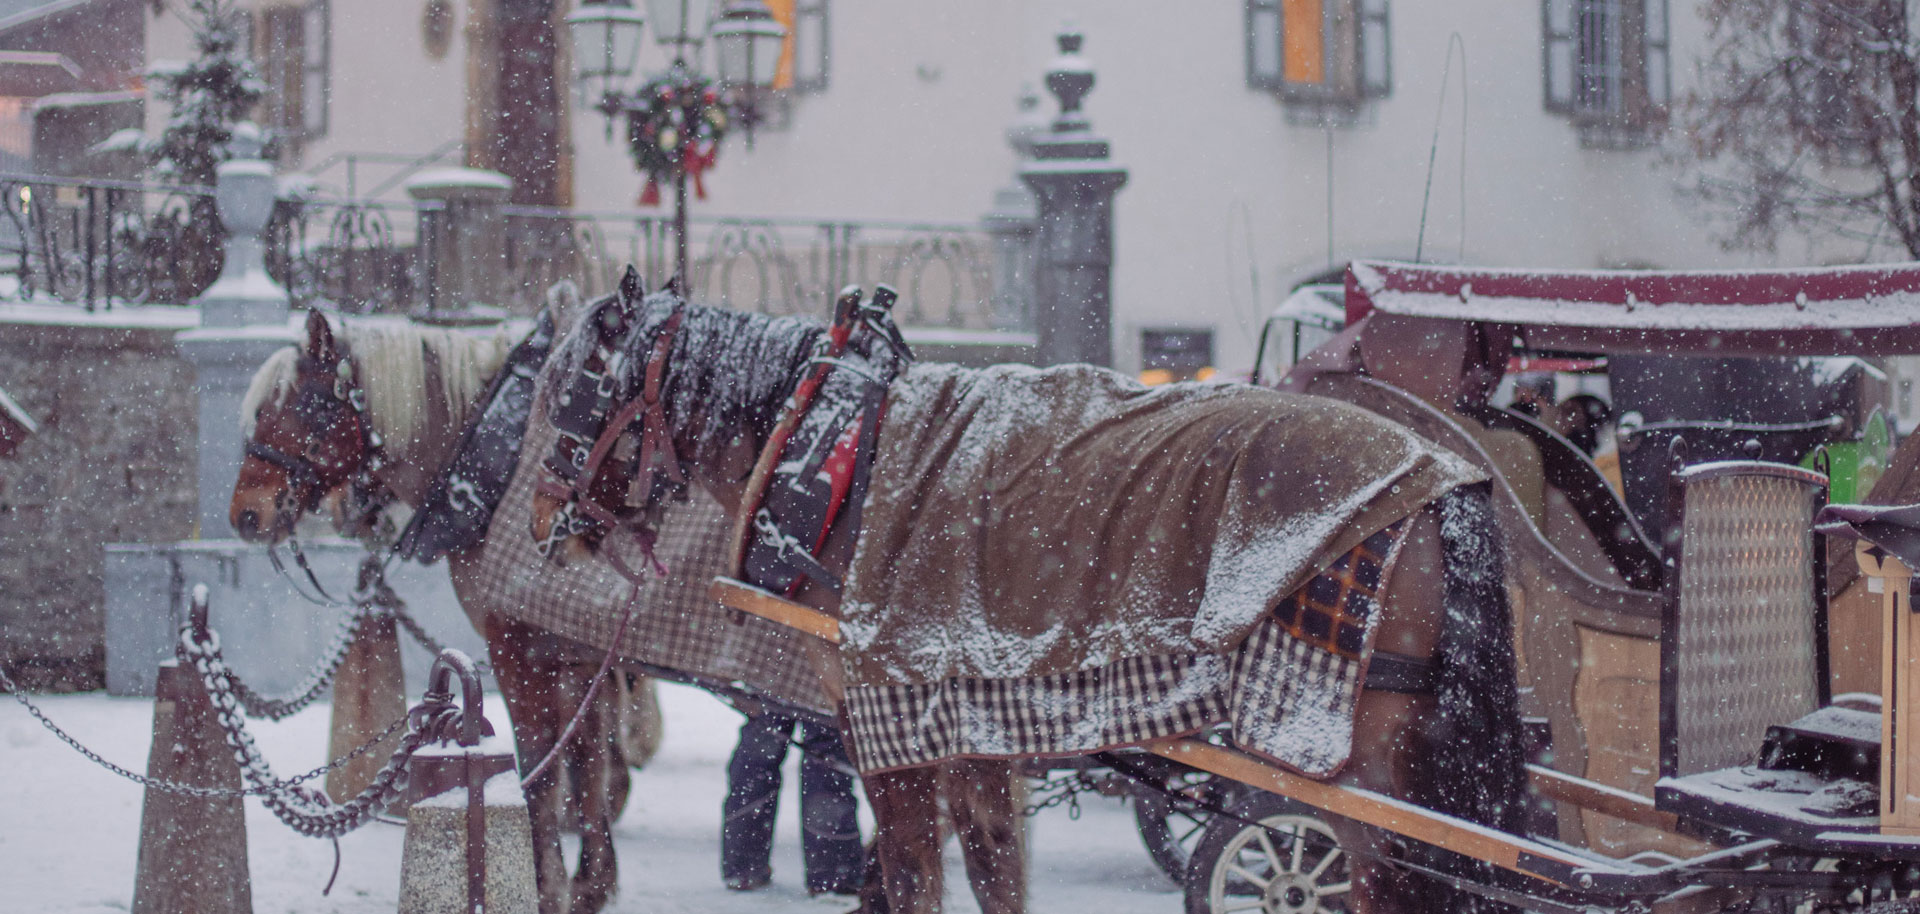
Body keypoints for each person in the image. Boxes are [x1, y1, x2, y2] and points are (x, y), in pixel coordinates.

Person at [721, 710, 863, 894]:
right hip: (817, 692)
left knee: (763, 735)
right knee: (826, 749)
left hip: (771, 686)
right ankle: (833, 876)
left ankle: (744, 866)